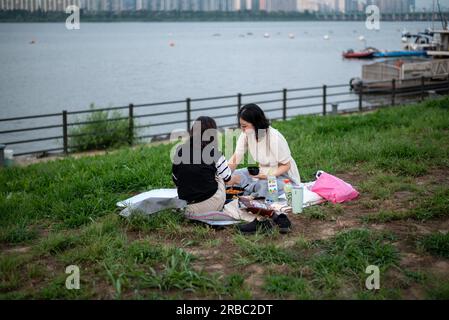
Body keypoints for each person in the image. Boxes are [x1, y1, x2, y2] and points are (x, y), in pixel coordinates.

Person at [227, 103, 301, 198]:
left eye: (244, 126)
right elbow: (236, 157)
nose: (242, 129)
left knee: (265, 185)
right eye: (241, 126)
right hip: (262, 173)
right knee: (235, 174)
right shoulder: (245, 135)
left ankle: (248, 187)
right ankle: (251, 188)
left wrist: (268, 176)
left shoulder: (274, 137)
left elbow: (286, 165)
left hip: (284, 178)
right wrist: (225, 175)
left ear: (256, 123)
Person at [172, 116, 232, 216]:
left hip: (185, 206)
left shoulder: (180, 150)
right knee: (219, 176)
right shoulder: (214, 152)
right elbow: (227, 178)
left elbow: (175, 179)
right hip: (208, 206)